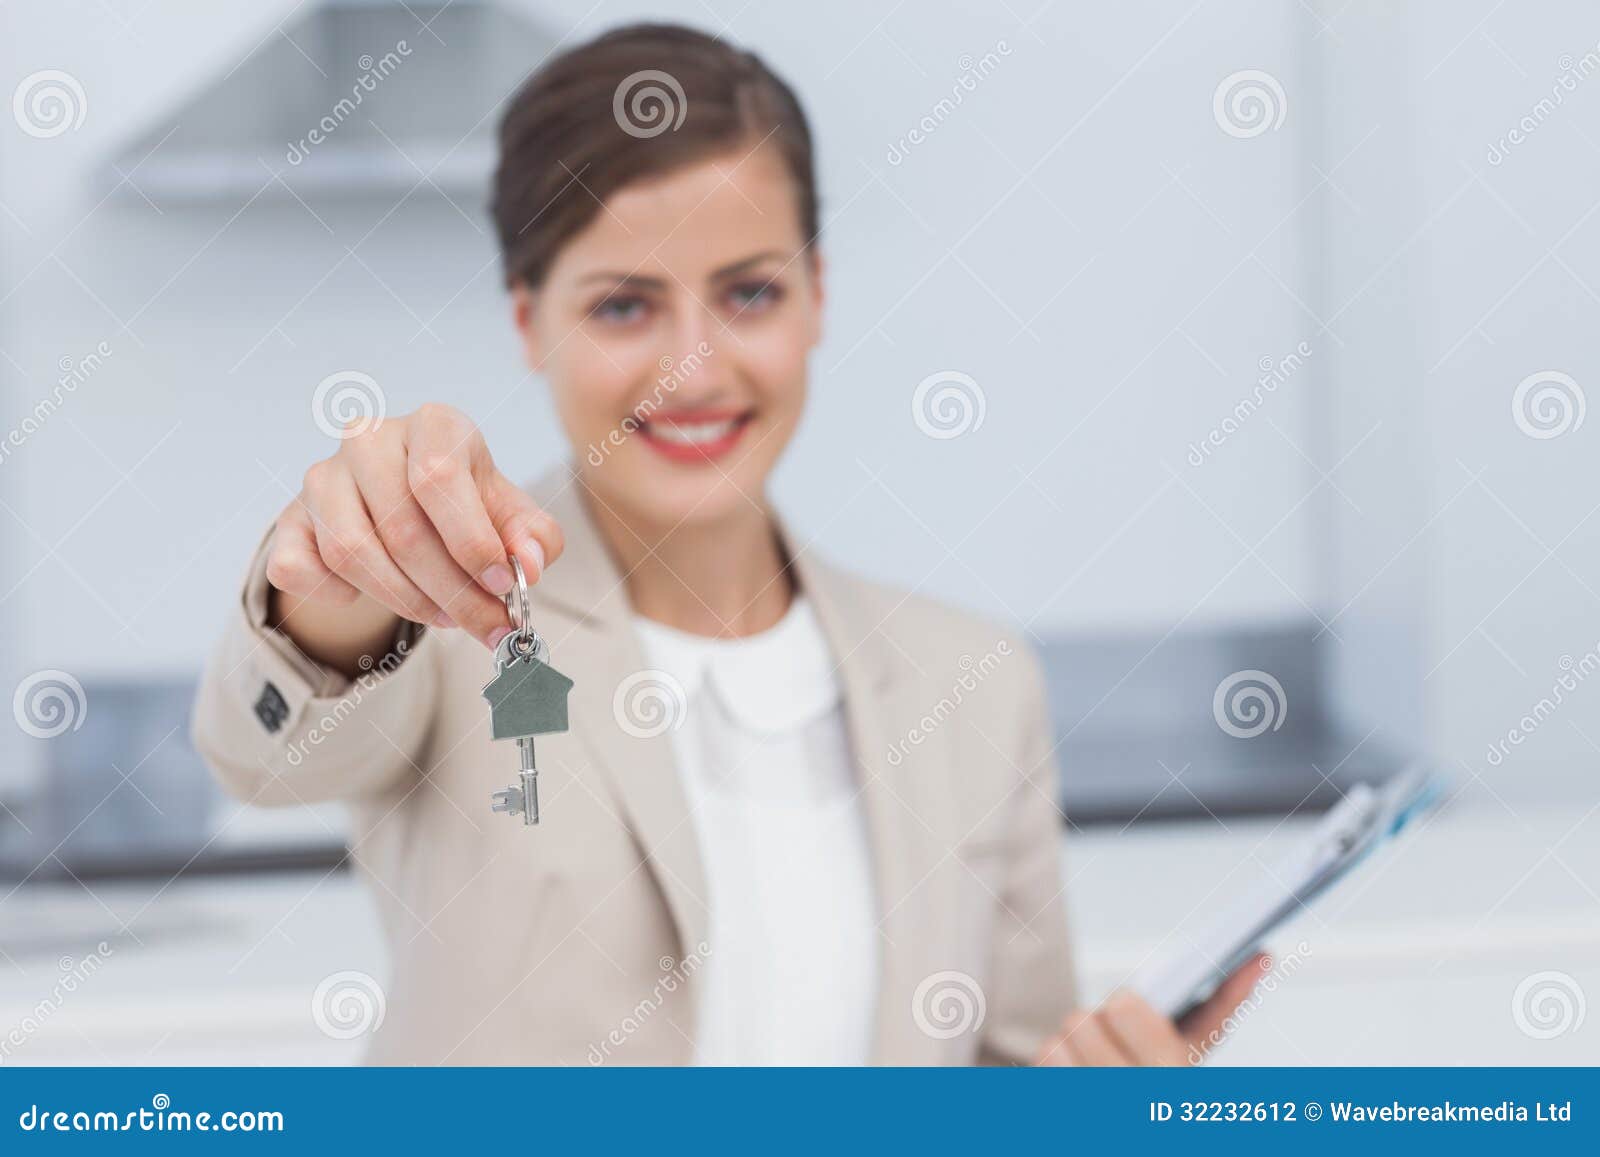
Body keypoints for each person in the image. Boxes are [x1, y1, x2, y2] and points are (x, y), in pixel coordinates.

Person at [192, 21, 1261, 1065]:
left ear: (816, 297)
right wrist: (337, 573)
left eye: (749, 292)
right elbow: (269, 754)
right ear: (528, 323)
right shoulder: (445, 618)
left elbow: (1004, 1078)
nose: (690, 372)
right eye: (623, 306)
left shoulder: (974, 682)